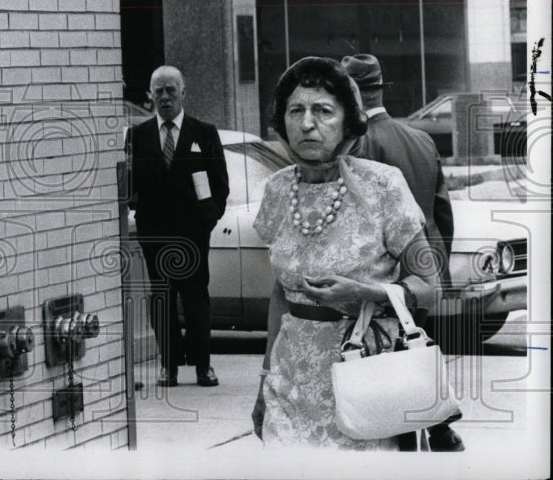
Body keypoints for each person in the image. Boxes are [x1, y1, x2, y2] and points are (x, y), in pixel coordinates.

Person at [250, 57, 440, 448]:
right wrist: (265, 379)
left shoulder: (383, 186)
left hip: (365, 382)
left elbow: (429, 286)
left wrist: (363, 293)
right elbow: (280, 294)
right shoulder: (276, 191)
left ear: (348, 121)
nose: (307, 124)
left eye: (323, 111)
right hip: (288, 385)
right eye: (296, 111)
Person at [342, 53, 464, 452]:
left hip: (384, 280)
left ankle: (422, 440)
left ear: (353, 94)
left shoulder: (358, 146)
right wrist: (434, 270)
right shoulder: (421, 138)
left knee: (386, 375)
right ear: (380, 89)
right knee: (412, 353)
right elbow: (442, 214)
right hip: (423, 272)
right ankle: (438, 426)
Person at [127, 66, 229, 387]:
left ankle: (203, 367)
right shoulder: (138, 136)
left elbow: (220, 186)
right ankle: (168, 368)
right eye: (159, 92)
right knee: (162, 301)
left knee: (196, 299)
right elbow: (131, 188)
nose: (166, 97)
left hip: (193, 237)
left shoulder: (204, 133)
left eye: (172, 90)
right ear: (151, 96)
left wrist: (207, 220)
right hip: (155, 236)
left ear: (183, 93)